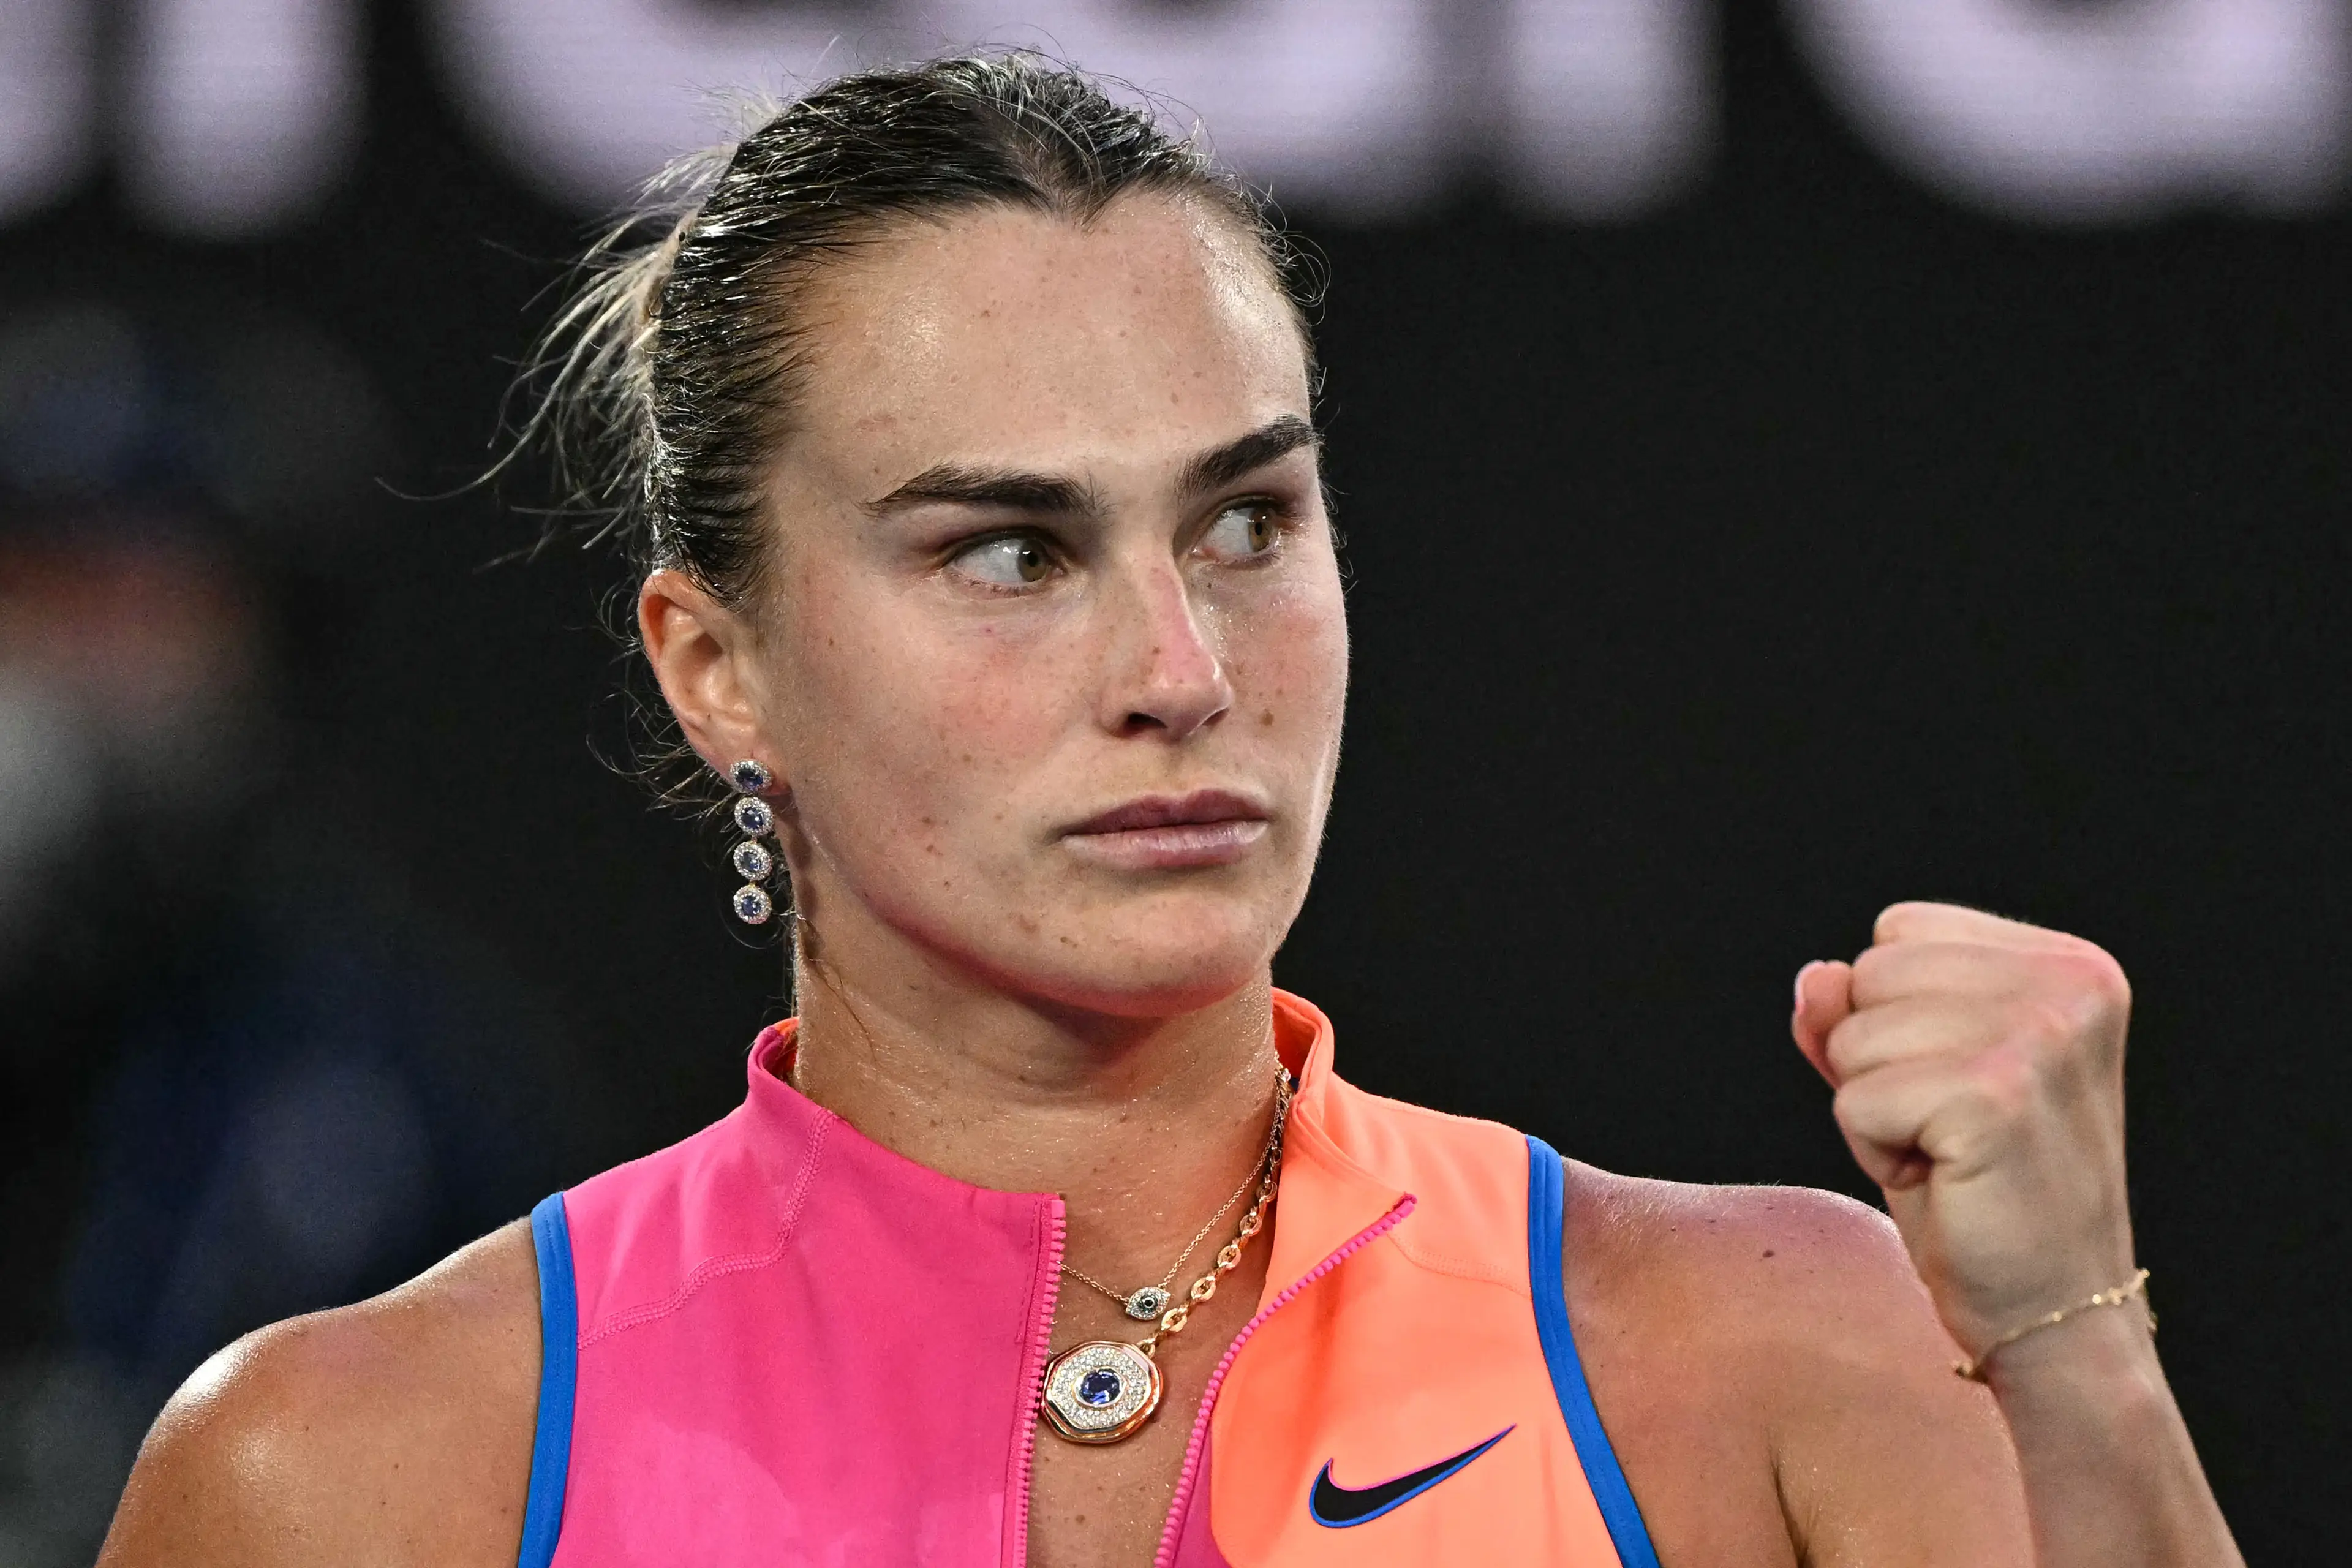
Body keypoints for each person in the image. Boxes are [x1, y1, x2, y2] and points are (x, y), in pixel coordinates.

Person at [95, 55, 2241, 1568]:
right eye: (1012, 552)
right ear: (714, 665)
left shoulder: (1780, 1350)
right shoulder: (353, 1478)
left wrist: (2074, 1349)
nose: (1182, 673)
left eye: (1245, 521)